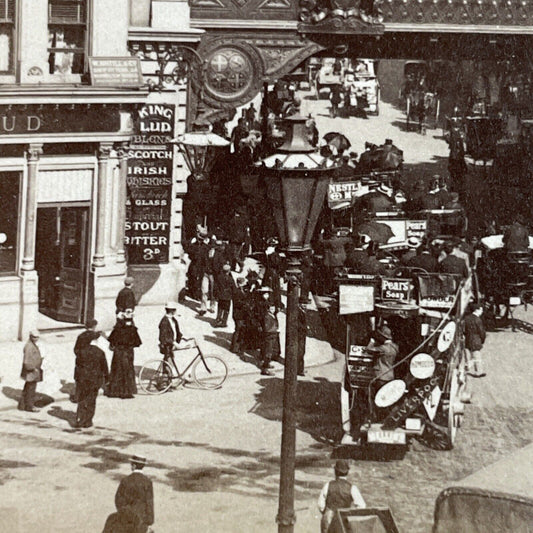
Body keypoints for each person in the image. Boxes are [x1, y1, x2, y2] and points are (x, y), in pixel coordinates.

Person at [318, 460, 366, 533]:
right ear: (347, 472)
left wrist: (326, 513)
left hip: (328, 520)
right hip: (343, 520)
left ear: (335, 472)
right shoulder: (352, 488)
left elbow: (320, 505)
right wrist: (350, 515)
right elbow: (362, 506)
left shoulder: (328, 485)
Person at [106, 310, 142, 399]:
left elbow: (111, 341)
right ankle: (127, 391)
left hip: (118, 353)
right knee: (127, 370)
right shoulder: (133, 330)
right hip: (128, 353)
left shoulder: (117, 329)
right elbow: (137, 343)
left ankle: (115, 391)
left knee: (117, 370)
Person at [75, 335, 109, 428]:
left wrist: (77, 378)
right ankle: (88, 421)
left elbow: (77, 366)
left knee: (82, 399)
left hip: (83, 379)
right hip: (95, 380)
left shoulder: (81, 352)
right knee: (91, 400)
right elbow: (104, 367)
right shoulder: (100, 352)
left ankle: (80, 419)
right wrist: (107, 379)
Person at [114, 455, 154, 533]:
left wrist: (123, 514)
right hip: (141, 521)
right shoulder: (147, 482)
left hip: (126, 520)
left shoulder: (125, 480)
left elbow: (118, 500)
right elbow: (149, 503)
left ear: (134, 466)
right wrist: (149, 522)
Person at [73, 319, 101, 403]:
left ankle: (77, 397)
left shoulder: (81, 336)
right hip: (91, 362)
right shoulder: (95, 336)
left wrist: (80, 356)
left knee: (79, 379)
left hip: (81, 360)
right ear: (94, 326)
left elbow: (75, 349)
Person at [18, 330, 43, 412]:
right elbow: (26, 361)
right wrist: (33, 368)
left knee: (28, 387)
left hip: (32, 371)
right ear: (31, 337)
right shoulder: (29, 346)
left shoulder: (31, 345)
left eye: (37, 337)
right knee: (30, 389)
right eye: (34, 337)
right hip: (31, 371)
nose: (36, 339)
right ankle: (29, 406)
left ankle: (22, 405)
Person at [158, 301, 182, 372]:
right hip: (167, 346)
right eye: (175, 310)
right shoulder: (164, 322)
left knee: (168, 362)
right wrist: (174, 343)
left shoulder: (173, 319)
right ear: (172, 311)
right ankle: (166, 380)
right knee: (169, 364)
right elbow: (164, 337)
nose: (176, 311)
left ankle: (166, 378)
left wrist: (182, 338)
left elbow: (176, 331)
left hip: (171, 345)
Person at [464, 303, 486, 378]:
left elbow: (464, 329)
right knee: (477, 356)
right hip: (476, 339)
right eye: (481, 310)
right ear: (477, 310)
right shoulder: (478, 320)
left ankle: (466, 368)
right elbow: (482, 332)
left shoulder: (466, 318)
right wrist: (482, 340)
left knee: (468, 355)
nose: (482, 312)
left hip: (468, 338)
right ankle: (478, 372)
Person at [260, 303, 281, 376]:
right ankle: (265, 369)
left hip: (272, 336)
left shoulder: (272, 315)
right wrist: (275, 330)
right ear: (268, 309)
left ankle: (267, 364)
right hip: (269, 336)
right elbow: (267, 328)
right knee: (268, 352)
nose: (273, 310)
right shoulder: (267, 316)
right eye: (271, 309)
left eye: (274, 309)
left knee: (270, 351)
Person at [231, 277, 249, 356]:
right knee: (238, 330)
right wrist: (245, 303)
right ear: (239, 283)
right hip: (238, 314)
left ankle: (236, 346)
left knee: (239, 330)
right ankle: (234, 347)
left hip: (240, 314)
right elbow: (237, 303)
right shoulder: (236, 292)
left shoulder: (241, 290)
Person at [214, 263, 235, 327]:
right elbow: (233, 287)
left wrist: (216, 294)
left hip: (220, 296)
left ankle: (218, 320)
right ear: (229, 270)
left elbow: (216, 286)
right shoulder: (230, 279)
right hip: (227, 297)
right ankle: (224, 322)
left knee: (220, 308)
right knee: (226, 310)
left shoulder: (219, 277)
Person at [297, 300, 308, 377]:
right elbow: (297, 324)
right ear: (299, 304)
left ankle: (301, 368)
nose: (305, 305)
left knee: (302, 352)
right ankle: (299, 370)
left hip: (302, 334)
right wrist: (305, 327)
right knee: (300, 352)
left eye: (306, 304)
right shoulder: (298, 312)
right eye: (303, 303)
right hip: (300, 335)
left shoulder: (302, 311)